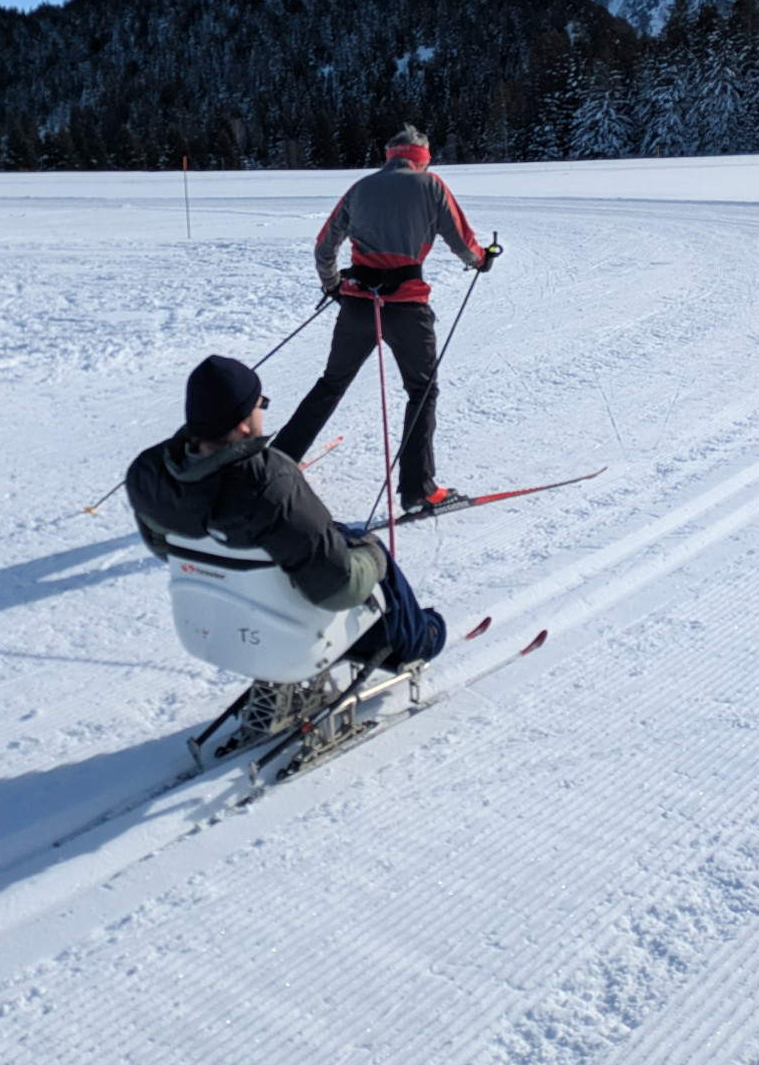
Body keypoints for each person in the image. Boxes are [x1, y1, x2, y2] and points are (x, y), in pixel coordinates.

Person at [126, 353, 445, 670]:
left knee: (331, 539)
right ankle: (419, 639)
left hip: (215, 625)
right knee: (366, 548)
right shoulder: (270, 484)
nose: (262, 412)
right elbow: (338, 588)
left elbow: (166, 549)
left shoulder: (149, 475)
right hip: (291, 634)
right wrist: (374, 558)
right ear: (243, 424)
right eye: (260, 404)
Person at [272, 125, 498, 515]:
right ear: (423, 157)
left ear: (391, 155)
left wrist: (332, 286)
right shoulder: (432, 187)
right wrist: (481, 260)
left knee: (332, 383)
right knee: (421, 391)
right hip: (407, 307)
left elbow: (325, 244)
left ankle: (280, 458)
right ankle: (417, 489)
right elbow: (462, 240)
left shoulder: (362, 187)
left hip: (358, 303)